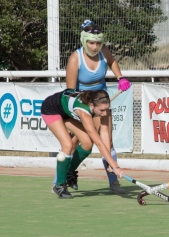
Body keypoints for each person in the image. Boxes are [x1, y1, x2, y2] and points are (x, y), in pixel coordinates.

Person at [51, 19, 131, 194]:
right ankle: (60, 181)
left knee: (107, 143)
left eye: (98, 43)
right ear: (84, 41)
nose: (95, 47)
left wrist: (120, 77)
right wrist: (83, 112)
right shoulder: (75, 59)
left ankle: (114, 183)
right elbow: (71, 92)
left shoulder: (104, 52)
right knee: (74, 143)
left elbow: (112, 61)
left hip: (101, 103)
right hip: (82, 105)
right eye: (91, 43)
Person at [42, 89, 125, 199]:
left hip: (67, 112)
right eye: (102, 110)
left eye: (107, 109)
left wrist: (111, 164)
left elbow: (104, 134)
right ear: (92, 105)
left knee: (87, 144)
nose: (105, 113)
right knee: (67, 145)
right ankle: (59, 185)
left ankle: (69, 172)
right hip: (52, 110)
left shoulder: (100, 107)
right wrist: (116, 166)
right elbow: (99, 143)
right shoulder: (84, 113)